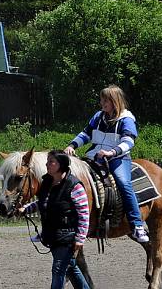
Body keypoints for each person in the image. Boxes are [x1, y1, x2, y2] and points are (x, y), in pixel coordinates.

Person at [64, 85, 149, 243]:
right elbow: (86, 134)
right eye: (102, 99)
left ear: (115, 101)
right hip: (94, 156)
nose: (102, 103)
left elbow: (129, 141)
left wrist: (112, 152)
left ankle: (137, 225)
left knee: (124, 183)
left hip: (118, 158)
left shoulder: (126, 119)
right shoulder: (98, 117)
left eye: (106, 100)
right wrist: (72, 145)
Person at [19, 150, 95, 289]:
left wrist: (80, 238)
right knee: (70, 267)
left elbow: (83, 214)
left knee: (59, 268)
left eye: (51, 162)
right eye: (48, 161)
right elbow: (44, 202)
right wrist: (27, 208)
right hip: (53, 233)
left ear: (60, 165)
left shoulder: (74, 186)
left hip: (68, 234)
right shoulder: (47, 182)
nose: (47, 165)